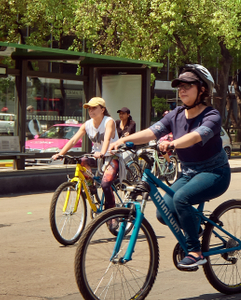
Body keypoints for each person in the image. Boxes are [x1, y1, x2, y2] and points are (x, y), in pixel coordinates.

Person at [110, 64, 229, 269]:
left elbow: (195, 136)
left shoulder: (212, 116)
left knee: (181, 199)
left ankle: (195, 251)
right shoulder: (175, 115)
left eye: (188, 86)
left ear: (202, 89)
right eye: (180, 86)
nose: (182, 90)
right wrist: (121, 141)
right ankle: (194, 228)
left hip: (214, 173)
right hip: (189, 172)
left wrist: (173, 143)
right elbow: (151, 132)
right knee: (162, 212)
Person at [53, 97, 120, 213]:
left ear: (102, 109)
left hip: (111, 156)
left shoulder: (109, 121)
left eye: (94, 108)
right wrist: (60, 153)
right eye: (89, 108)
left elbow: (107, 138)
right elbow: (73, 140)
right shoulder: (87, 124)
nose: (91, 111)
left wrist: (103, 153)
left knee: (105, 184)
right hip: (97, 157)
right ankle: (91, 187)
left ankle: (111, 211)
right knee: (83, 160)